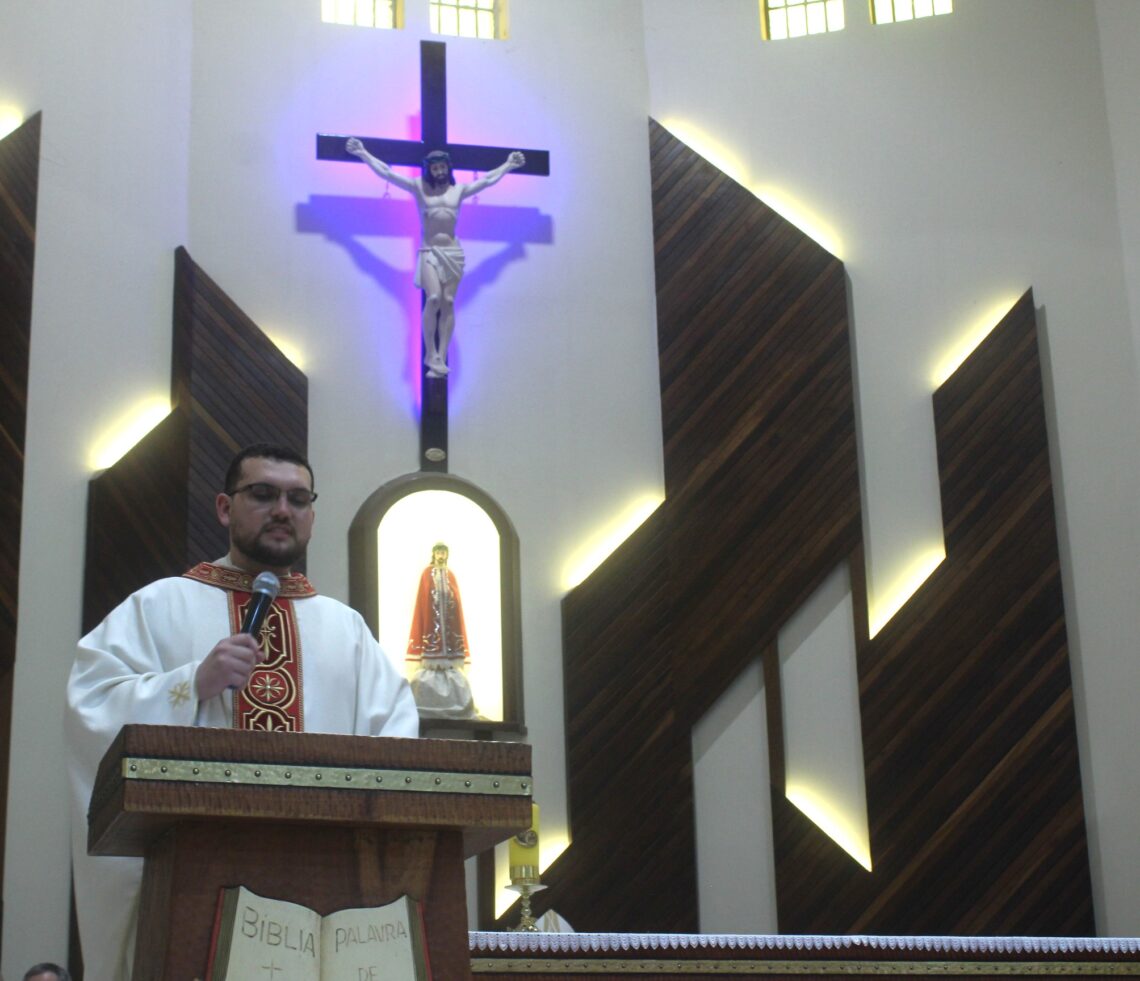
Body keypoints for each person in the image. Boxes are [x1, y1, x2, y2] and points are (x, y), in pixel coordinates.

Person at [65, 443, 419, 980]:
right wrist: (189, 685)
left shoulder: (347, 630)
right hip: (191, 879)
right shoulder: (160, 605)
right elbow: (90, 704)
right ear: (225, 508)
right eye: (263, 494)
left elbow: (396, 743)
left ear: (311, 516)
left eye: (298, 499)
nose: (282, 509)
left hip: (325, 883)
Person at [346, 138, 525, 377]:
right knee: (433, 298)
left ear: (448, 168)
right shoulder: (419, 187)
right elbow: (387, 173)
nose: (439, 171)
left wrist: (508, 165)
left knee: (448, 301)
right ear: (429, 169)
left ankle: (441, 353)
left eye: (442, 167)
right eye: (435, 167)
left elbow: (487, 180)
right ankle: (429, 352)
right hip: (429, 251)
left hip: (453, 252)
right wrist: (363, 153)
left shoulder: (458, 191)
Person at [406, 542, 477, 718]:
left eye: (443, 552)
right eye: (438, 551)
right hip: (432, 624)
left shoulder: (450, 575)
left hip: (449, 626)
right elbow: (423, 601)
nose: (441, 555)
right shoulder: (426, 573)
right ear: (434, 553)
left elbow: (456, 604)